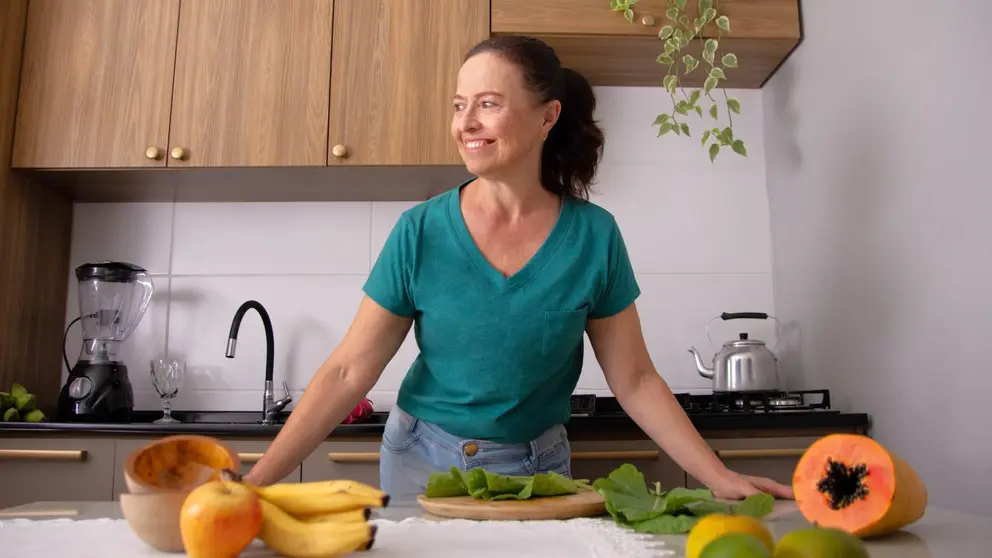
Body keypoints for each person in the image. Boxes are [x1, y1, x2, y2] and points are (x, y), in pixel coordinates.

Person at [243, 35, 795, 503]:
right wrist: (256, 482)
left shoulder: (595, 236)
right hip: (419, 461)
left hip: (537, 469)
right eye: (459, 105)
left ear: (547, 116)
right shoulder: (419, 231)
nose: (466, 123)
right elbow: (347, 372)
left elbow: (635, 379)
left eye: (488, 104)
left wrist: (718, 476)